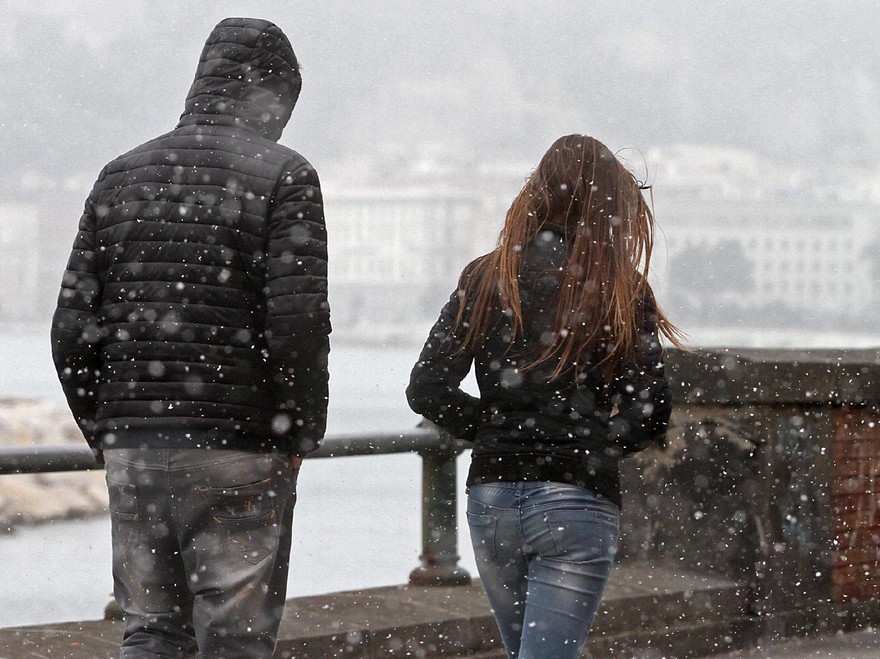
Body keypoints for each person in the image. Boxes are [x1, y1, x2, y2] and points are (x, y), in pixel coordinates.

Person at [51, 17, 330, 658]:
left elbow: (70, 330)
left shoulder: (119, 175)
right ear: (275, 94)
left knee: (150, 630)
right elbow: (298, 328)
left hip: (137, 449)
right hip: (238, 443)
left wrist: (109, 428)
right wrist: (299, 431)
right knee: (235, 637)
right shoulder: (285, 176)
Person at [406, 134, 682, 659]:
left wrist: (492, 429)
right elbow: (650, 410)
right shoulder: (620, 289)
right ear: (611, 208)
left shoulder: (488, 277)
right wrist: (590, 443)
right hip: (576, 497)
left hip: (493, 497)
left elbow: (426, 387)